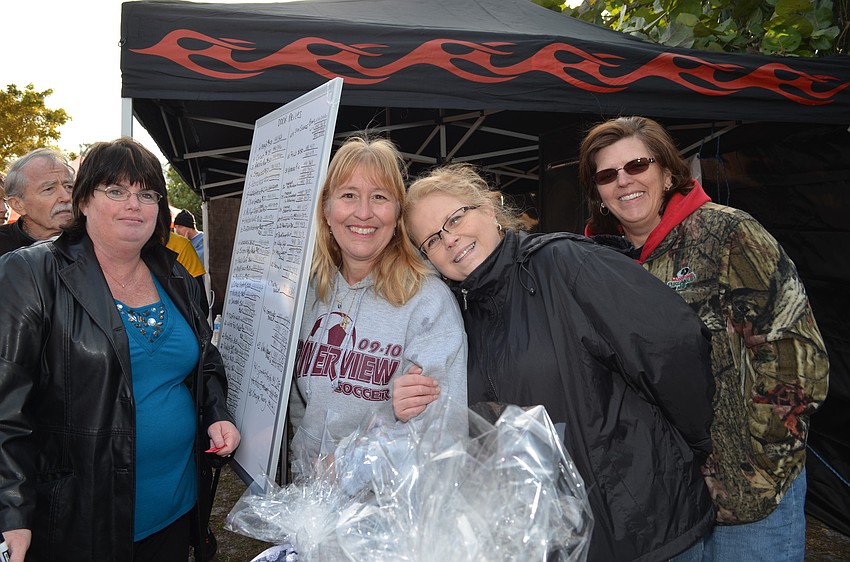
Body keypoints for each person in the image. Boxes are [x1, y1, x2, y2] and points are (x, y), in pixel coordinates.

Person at [393, 163, 716, 562]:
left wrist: (695, 443)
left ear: (489, 209)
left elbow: (672, 344)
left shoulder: (564, 262)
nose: (450, 238)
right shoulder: (460, 317)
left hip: (646, 531)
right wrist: (411, 399)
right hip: (555, 539)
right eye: (432, 240)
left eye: (455, 218)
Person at [577, 116, 829, 561]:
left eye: (637, 165)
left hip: (751, 495)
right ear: (598, 192)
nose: (624, 181)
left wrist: (762, 459)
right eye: (607, 175)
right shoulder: (591, 264)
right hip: (664, 503)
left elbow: (795, 353)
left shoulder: (727, 234)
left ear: (667, 173)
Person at [0, 137, 240, 562]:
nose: (134, 205)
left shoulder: (176, 275)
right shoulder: (31, 274)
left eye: (147, 194)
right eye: (116, 190)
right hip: (80, 525)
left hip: (175, 510)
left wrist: (217, 413)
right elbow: (5, 407)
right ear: (84, 201)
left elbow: (205, 363)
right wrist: (10, 510)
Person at [288, 135, 467, 476]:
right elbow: (301, 411)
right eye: (349, 195)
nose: (364, 212)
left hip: (388, 502)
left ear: (397, 214)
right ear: (326, 210)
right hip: (309, 496)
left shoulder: (428, 302)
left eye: (380, 197)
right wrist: (303, 475)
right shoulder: (308, 293)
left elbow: (440, 429)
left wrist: (346, 467)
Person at [0, 148, 74, 255]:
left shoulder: (93, 239)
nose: (66, 197)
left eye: (69, 187)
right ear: (18, 204)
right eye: (49, 189)